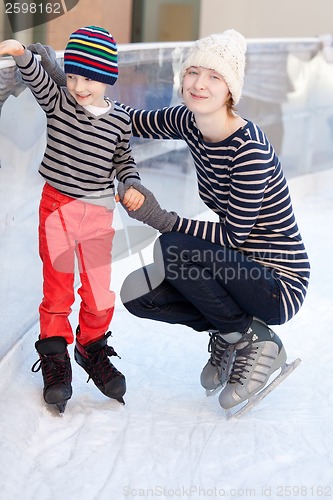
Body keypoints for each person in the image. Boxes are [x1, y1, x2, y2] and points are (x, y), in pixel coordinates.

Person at [33, 29, 311, 412]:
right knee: (139, 295)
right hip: (235, 270)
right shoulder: (188, 121)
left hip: (277, 282)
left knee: (172, 247)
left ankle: (249, 339)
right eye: (193, 72)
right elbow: (120, 118)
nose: (198, 84)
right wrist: (71, 79)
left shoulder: (250, 152)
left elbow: (232, 236)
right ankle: (231, 334)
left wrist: (159, 218)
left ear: (231, 89)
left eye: (214, 77)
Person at [0, 26, 144, 412]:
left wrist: (131, 183)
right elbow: (39, 78)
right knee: (58, 290)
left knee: (99, 292)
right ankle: (55, 356)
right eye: (75, 75)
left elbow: (124, 161)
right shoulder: (59, 101)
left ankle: (90, 346)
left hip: (98, 214)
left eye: (91, 78)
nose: (80, 86)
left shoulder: (120, 121)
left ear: (108, 78)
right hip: (56, 209)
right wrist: (20, 54)